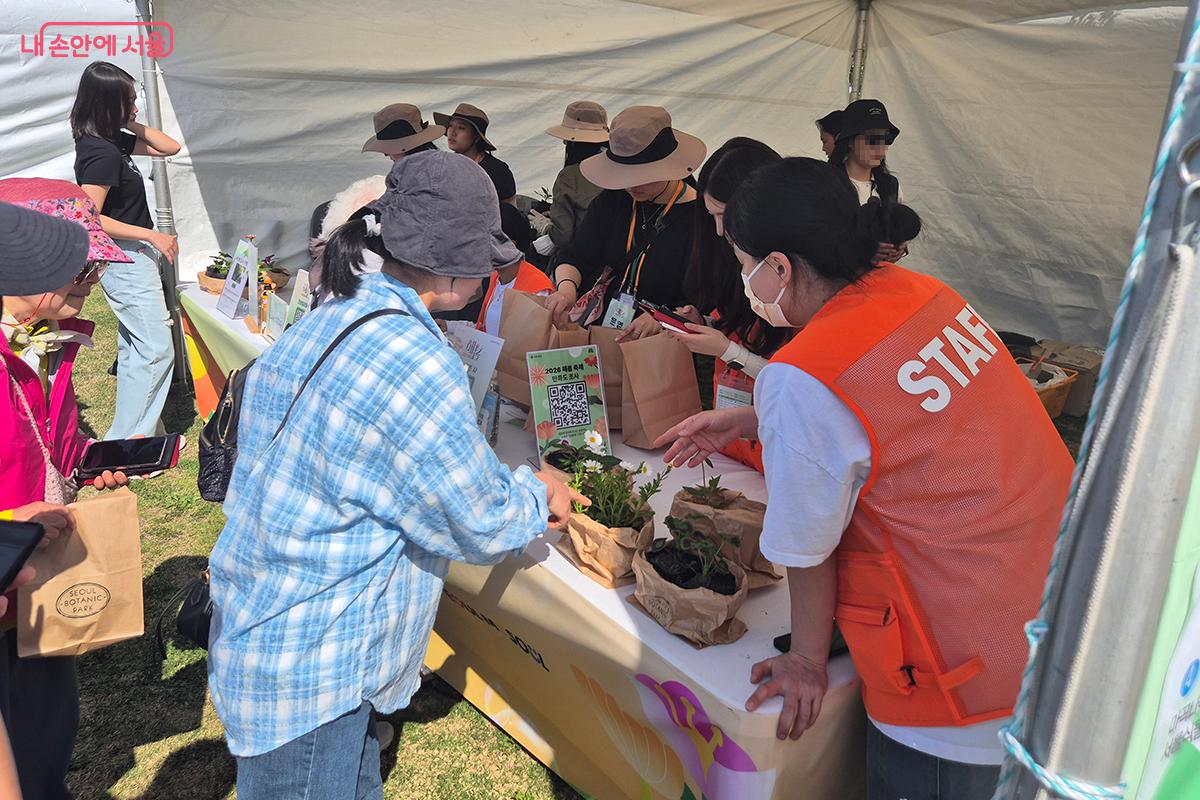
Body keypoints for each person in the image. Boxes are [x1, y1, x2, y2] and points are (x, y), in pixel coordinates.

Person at [656, 158, 1073, 800]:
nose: (744, 280)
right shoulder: (927, 294)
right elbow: (901, 421)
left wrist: (803, 661)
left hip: (956, 669)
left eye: (743, 263)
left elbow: (805, 545)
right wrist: (754, 418)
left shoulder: (802, 373)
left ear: (780, 268)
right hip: (1057, 606)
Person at [207, 151, 586, 800]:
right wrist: (536, 493)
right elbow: (473, 521)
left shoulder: (335, 312)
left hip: (268, 623)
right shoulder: (415, 357)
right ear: (459, 263)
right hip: (316, 658)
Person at [0, 195, 131, 800]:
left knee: (46, 721)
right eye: (76, 272)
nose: (91, 285)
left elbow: (54, 435)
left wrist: (82, 463)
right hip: (11, 560)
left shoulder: (44, 338)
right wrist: (9, 521)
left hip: (39, 565)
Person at [71, 60, 181, 439]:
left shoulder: (108, 141)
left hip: (130, 256)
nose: (136, 106)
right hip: (125, 258)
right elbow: (91, 216)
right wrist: (152, 236)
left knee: (137, 347)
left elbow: (170, 146)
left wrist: (130, 122)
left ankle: (135, 434)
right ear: (107, 103)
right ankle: (130, 443)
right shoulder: (101, 153)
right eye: (129, 101)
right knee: (155, 349)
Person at [670, 138, 787, 470]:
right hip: (734, 447)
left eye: (725, 217)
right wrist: (706, 327)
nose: (720, 231)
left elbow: (801, 387)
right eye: (712, 218)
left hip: (774, 451)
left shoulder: (796, 283)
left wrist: (726, 350)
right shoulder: (726, 260)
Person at [545, 106, 705, 341]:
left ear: (668, 165)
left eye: (641, 174)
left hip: (660, 346)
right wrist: (567, 289)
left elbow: (699, 300)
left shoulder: (699, 219)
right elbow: (577, 253)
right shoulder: (615, 198)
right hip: (604, 332)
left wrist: (664, 318)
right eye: (623, 173)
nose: (631, 185)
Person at [530, 100, 608, 258]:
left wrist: (547, 227)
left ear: (570, 140)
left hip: (583, 260)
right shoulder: (621, 169)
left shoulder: (570, 176)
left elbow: (563, 236)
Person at [477, 203, 554, 336]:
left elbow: (534, 343)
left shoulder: (538, 288)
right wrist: (451, 326)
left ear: (510, 245)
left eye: (484, 243)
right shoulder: (496, 278)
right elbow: (486, 329)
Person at [435, 103, 517, 203]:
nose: (452, 132)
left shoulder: (497, 171)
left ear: (476, 137)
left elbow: (510, 213)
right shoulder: (442, 166)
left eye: (461, 128)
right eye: (451, 126)